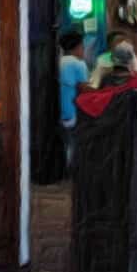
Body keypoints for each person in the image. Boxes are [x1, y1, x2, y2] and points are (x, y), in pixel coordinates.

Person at [58, 30, 90, 172]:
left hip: (59, 108)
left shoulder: (58, 62)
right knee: (75, 141)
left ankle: (64, 167)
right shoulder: (78, 64)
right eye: (82, 47)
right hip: (73, 110)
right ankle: (72, 169)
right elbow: (84, 89)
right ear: (76, 47)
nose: (83, 50)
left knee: (65, 141)